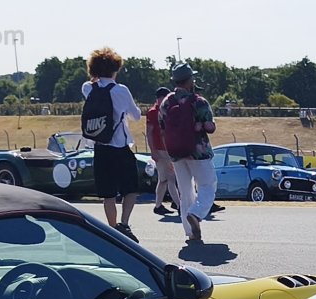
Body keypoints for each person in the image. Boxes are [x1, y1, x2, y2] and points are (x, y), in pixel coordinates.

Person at [80, 47, 143, 239]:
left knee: (108, 194)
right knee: (130, 188)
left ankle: (112, 227)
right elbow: (137, 116)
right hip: (119, 146)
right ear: (115, 68)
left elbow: (90, 86)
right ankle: (124, 224)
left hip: (100, 147)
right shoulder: (121, 90)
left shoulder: (88, 88)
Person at [160, 63, 218, 243]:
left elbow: (163, 127)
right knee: (208, 185)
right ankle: (197, 214)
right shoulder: (198, 101)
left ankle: (190, 232)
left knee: (185, 191)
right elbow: (210, 127)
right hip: (198, 152)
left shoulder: (166, 102)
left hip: (176, 152)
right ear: (190, 80)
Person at [145, 85, 180, 216]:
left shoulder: (165, 111)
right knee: (171, 178)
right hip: (160, 149)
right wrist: (153, 151)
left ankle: (158, 205)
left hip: (166, 148)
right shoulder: (154, 112)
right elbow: (149, 133)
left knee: (163, 179)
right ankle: (179, 205)